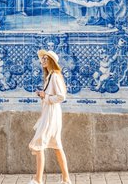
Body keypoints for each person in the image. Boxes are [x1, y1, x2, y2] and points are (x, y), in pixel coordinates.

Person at [28, 50, 72, 184]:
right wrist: (43, 95)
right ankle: (66, 179)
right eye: (43, 59)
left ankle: (38, 179)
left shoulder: (55, 76)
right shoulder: (50, 76)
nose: (43, 61)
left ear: (52, 61)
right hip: (50, 113)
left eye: (46, 59)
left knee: (39, 143)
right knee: (56, 146)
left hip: (51, 114)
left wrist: (45, 96)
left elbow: (61, 96)